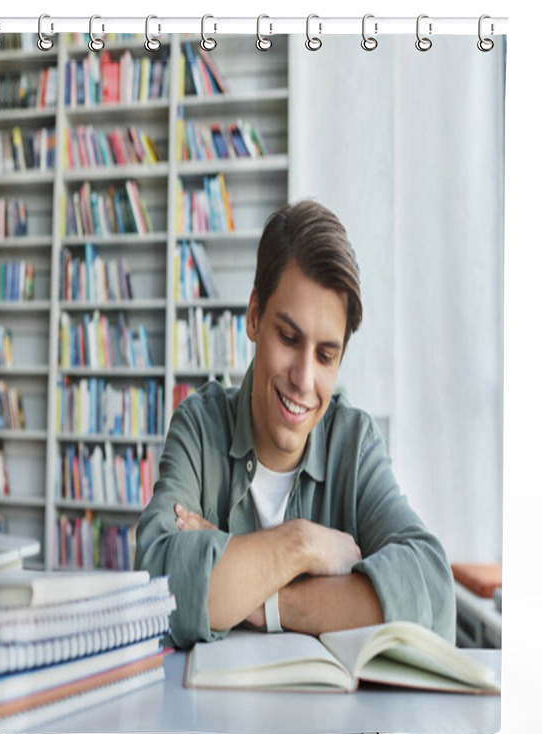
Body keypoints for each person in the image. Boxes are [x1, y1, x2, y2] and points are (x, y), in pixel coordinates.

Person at [135, 200, 455, 649]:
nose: (304, 380)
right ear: (253, 317)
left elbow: (433, 596)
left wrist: (259, 599)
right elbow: (157, 583)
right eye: (288, 338)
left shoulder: (354, 443)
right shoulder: (200, 424)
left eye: (326, 355)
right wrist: (302, 545)